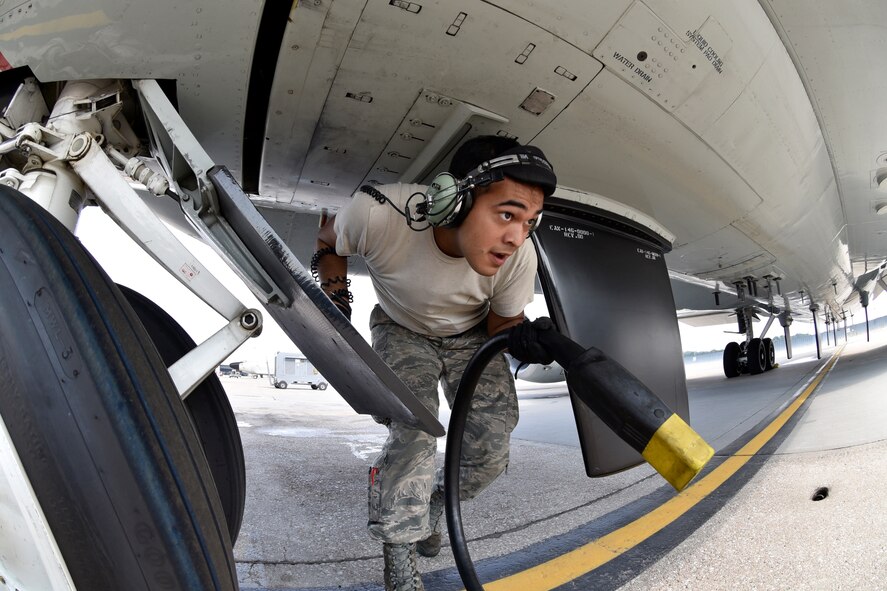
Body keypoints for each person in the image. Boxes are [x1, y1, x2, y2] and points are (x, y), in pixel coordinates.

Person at [314, 135, 556, 590]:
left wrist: (524, 340)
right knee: (415, 432)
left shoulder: (518, 256)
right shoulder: (378, 213)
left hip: (469, 334)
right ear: (455, 200)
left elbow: (501, 327)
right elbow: (329, 240)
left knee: (490, 448)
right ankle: (400, 555)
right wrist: (335, 299)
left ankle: (433, 505)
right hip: (400, 327)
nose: (516, 236)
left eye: (529, 223)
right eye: (507, 214)